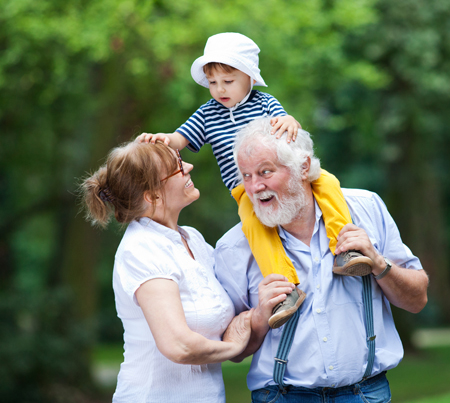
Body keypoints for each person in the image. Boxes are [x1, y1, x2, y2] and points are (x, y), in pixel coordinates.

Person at [138, 32, 374, 329]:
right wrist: (163, 139)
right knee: (255, 226)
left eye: (228, 81)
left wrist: (290, 121)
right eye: (213, 83)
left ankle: (345, 249)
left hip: (283, 173)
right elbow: (179, 138)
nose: (219, 89)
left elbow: (286, 122)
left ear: (249, 77)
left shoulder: (265, 103)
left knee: (328, 184)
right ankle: (285, 287)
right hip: (244, 188)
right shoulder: (207, 114)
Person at [214, 118, 429, 402]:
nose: (254, 187)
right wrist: (259, 317)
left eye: (265, 172)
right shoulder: (232, 247)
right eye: (247, 176)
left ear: (303, 167)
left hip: (365, 394)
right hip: (281, 397)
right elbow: (234, 351)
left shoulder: (367, 208)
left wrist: (378, 264)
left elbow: (417, 300)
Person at [80, 140, 252, 403]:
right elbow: (178, 345)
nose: (189, 167)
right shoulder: (141, 249)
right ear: (152, 196)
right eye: (178, 167)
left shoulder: (192, 239)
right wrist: (234, 347)